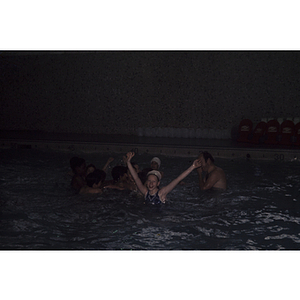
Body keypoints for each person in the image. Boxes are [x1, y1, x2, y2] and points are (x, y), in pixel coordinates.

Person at [125, 152, 201, 204]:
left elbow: (177, 179)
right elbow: (136, 178)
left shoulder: (161, 193)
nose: (151, 183)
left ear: (158, 183)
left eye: (154, 181)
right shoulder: (145, 192)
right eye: (149, 181)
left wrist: (193, 167)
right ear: (146, 182)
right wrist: (128, 162)